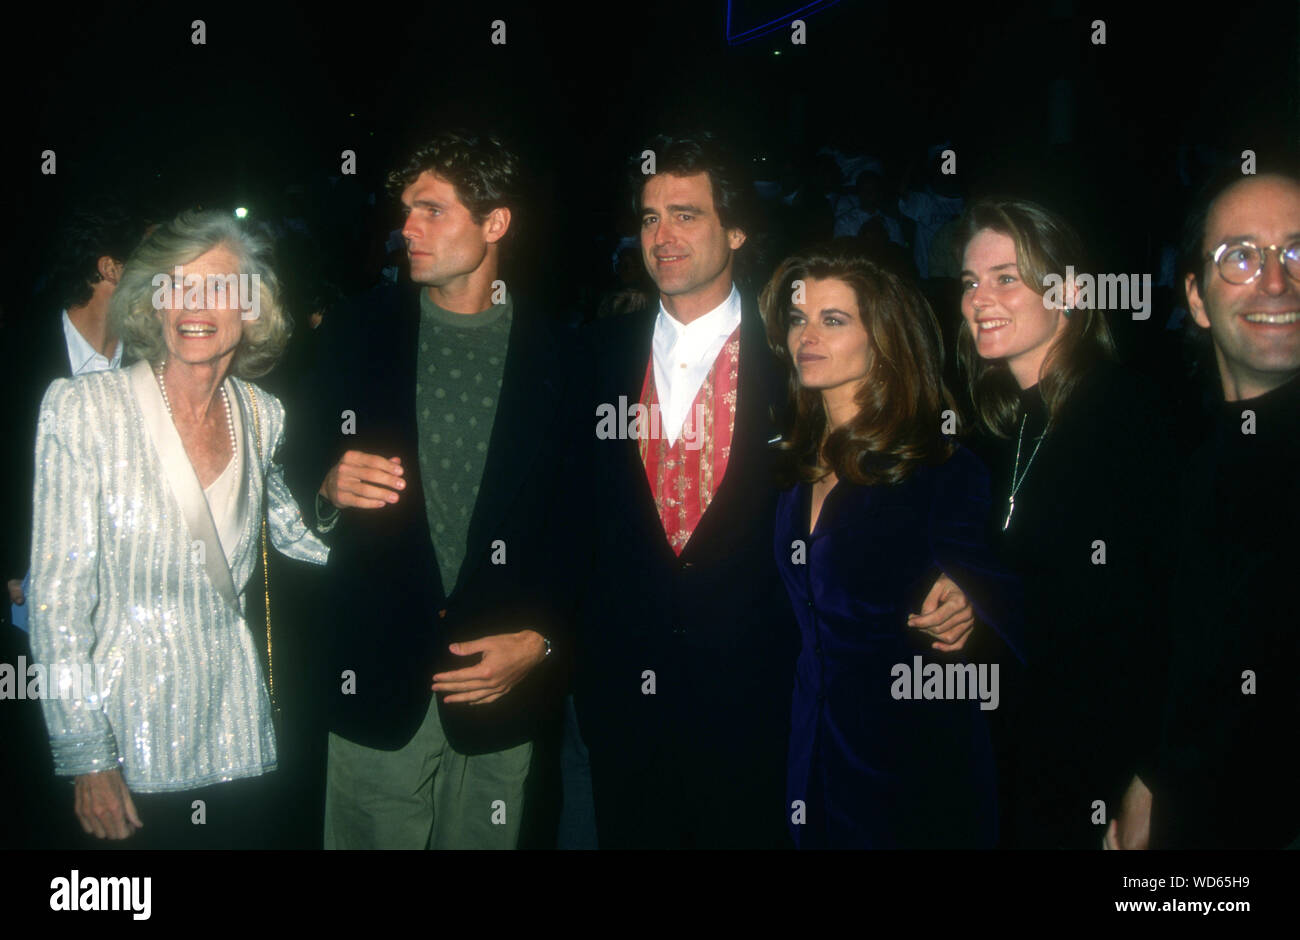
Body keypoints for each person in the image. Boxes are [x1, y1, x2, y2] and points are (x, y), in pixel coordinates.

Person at [572, 131, 977, 849]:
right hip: (622, 705)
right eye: (648, 216)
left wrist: (964, 576)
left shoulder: (797, 359)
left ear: (736, 229)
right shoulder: (589, 355)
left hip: (762, 711)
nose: (663, 236)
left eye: (686, 214)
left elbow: (907, 463)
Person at [282, 130, 579, 850]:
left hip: (498, 692)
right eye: (405, 210)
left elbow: (587, 529)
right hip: (375, 681)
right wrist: (324, 484)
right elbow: (291, 459)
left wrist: (544, 642)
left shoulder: (566, 355)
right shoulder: (354, 331)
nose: (406, 228)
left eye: (432, 210)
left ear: (495, 223)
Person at [27, 209, 328, 848]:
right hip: (127, 744)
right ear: (152, 305)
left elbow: (298, 537)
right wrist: (86, 757)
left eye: (218, 287)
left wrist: (346, 501)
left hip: (237, 731)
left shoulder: (263, 414)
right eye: (175, 286)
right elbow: (56, 606)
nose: (194, 304)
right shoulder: (84, 412)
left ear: (251, 309)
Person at [762, 242, 1023, 848]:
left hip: (913, 759)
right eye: (799, 318)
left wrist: (973, 606)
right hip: (810, 748)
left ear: (884, 340)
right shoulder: (786, 462)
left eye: (834, 320)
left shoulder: (940, 467)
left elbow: (1012, 605)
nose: (808, 335)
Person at [955, 197, 1177, 849]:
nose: (979, 298)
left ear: (1071, 293)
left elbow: (1176, 613)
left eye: (1006, 278)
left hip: (1104, 766)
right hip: (1026, 752)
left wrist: (1150, 779)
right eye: (970, 281)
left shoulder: (1126, 414)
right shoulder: (1007, 424)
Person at [1119, 170, 1300, 849]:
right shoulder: (1191, 464)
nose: (1276, 282)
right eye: (1241, 257)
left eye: (1299, 253)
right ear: (1195, 298)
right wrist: (1151, 776)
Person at [0, 200, 146, 849]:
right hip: (32, 618)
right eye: (153, 260)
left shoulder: (153, 359)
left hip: (131, 623)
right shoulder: (16, 350)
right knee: (44, 789)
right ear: (109, 267)